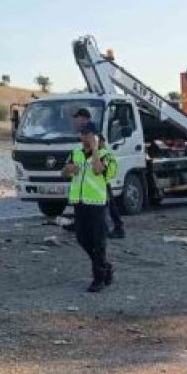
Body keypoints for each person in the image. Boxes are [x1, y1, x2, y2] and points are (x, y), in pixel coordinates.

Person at [63, 123, 118, 292]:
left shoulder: (106, 155)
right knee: (82, 239)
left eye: (87, 134)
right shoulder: (75, 153)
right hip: (79, 202)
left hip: (96, 204)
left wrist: (95, 149)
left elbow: (98, 170)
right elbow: (64, 173)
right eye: (82, 133)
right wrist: (68, 169)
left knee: (98, 242)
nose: (83, 137)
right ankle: (105, 266)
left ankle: (98, 279)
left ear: (95, 135)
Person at [72, 108, 124, 238]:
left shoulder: (93, 130)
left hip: (98, 175)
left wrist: (99, 160)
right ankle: (106, 227)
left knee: (108, 203)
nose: (76, 121)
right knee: (105, 203)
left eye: (77, 118)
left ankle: (116, 228)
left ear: (84, 118)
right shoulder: (85, 131)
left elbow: (101, 147)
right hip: (90, 176)